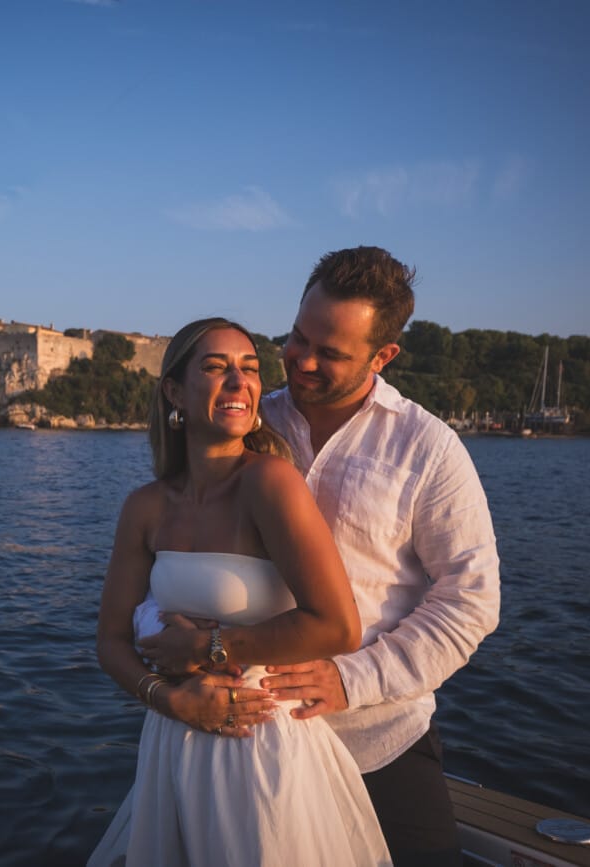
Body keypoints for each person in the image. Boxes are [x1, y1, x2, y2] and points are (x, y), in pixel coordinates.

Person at [146, 246, 501, 866]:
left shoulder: (429, 450)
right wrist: (162, 628)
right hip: (239, 737)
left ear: (382, 355)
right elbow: (170, 548)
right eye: (297, 337)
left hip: (375, 740)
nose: (303, 360)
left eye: (330, 352)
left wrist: (350, 679)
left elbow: (471, 603)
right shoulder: (242, 421)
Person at [88, 318, 392, 867]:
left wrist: (208, 649)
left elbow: (338, 626)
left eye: (250, 369)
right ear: (175, 392)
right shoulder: (146, 507)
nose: (240, 382)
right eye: (215, 367)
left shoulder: (270, 482)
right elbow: (109, 642)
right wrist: (170, 697)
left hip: (259, 749)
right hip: (172, 743)